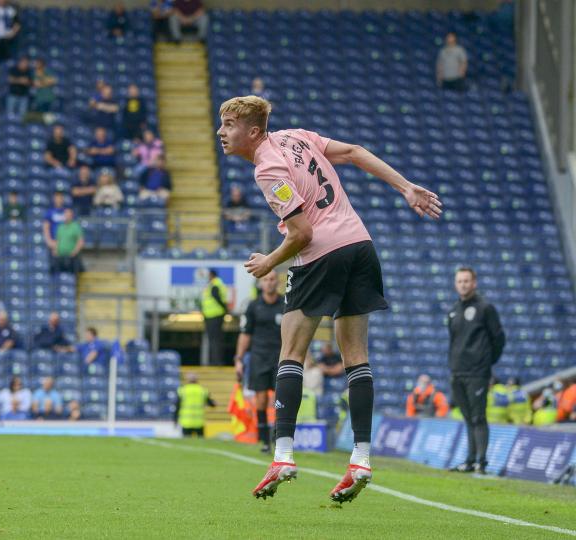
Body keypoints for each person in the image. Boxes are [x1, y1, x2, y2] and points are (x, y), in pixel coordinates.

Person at [216, 95, 440, 502]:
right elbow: (353, 152)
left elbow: (302, 234)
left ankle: (282, 454)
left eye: (228, 125)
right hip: (361, 245)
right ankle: (361, 458)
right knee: (356, 356)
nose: (221, 132)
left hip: (321, 255)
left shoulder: (267, 168)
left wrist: (269, 262)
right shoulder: (298, 137)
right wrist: (406, 186)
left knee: (291, 351)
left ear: (252, 131)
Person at [447, 266, 504, 475]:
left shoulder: (485, 308)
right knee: (467, 417)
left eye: (466, 281)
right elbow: (453, 342)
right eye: (459, 281)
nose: (463, 284)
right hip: (457, 372)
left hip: (477, 373)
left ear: (474, 283)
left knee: (478, 417)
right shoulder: (453, 310)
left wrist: (486, 363)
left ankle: (481, 462)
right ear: (456, 284)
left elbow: (498, 339)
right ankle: (470, 460)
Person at [233, 271, 284, 452]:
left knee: (281, 399)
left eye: (272, 279)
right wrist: (239, 359)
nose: (269, 283)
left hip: (280, 357)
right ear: (260, 284)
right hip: (259, 356)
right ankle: (264, 441)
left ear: (277, 282)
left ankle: (279, 439)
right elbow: (245, 334)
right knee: (261, 399)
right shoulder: (253, 306)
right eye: (265, 280)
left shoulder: (286, 304)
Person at [199, 269, 228, 366]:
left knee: (215, 340)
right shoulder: (217, 284)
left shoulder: (214, 284)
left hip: (214, 316)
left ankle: (216, 362)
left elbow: (217, 297)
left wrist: (224, 309)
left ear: (212, 275)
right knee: (215, 340)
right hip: (214, 315)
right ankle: (216, 361)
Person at [175, 372, 215, 437]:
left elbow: (177, 406)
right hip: (199, 422)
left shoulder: (183, 390)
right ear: (197, 379)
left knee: (187, 443)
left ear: (187, 380)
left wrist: (175, 420)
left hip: (186, 422)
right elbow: (212, 404)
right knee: (201, 443)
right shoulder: (202, 390)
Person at [50, 208, 84, 275]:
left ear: (72, 216)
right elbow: (57, 240)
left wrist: (75, 252)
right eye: (65, 214)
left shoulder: (76, 227)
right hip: (60, 257)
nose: (66, 216)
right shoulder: (60, 227)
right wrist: (55, 249)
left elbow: (80, 241)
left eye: (68, 215)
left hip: (71, 258)